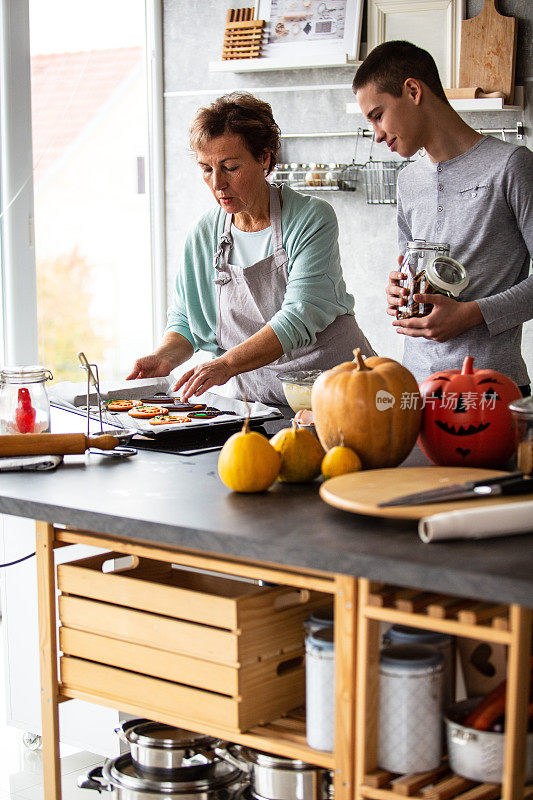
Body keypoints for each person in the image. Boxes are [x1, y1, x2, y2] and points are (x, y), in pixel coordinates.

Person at [127, 92, 375, 404]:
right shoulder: (204, 234)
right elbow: (186, 319)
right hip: (258, 406)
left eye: (230, 166)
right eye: (206, 168)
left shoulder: (312, 218)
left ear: (265, 159)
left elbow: (299, 316)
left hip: (340, 397)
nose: (217, 183)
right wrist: (165, 357)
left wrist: (226, 364)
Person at [352, 40, 533, 396]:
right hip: (414, 390)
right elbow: (411, 266)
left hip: (491, 391)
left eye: (377, 115)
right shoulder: (407, 180)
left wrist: (472, 313)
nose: (376, 135)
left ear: (413, 91)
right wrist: (399, 291)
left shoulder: (511, 166)